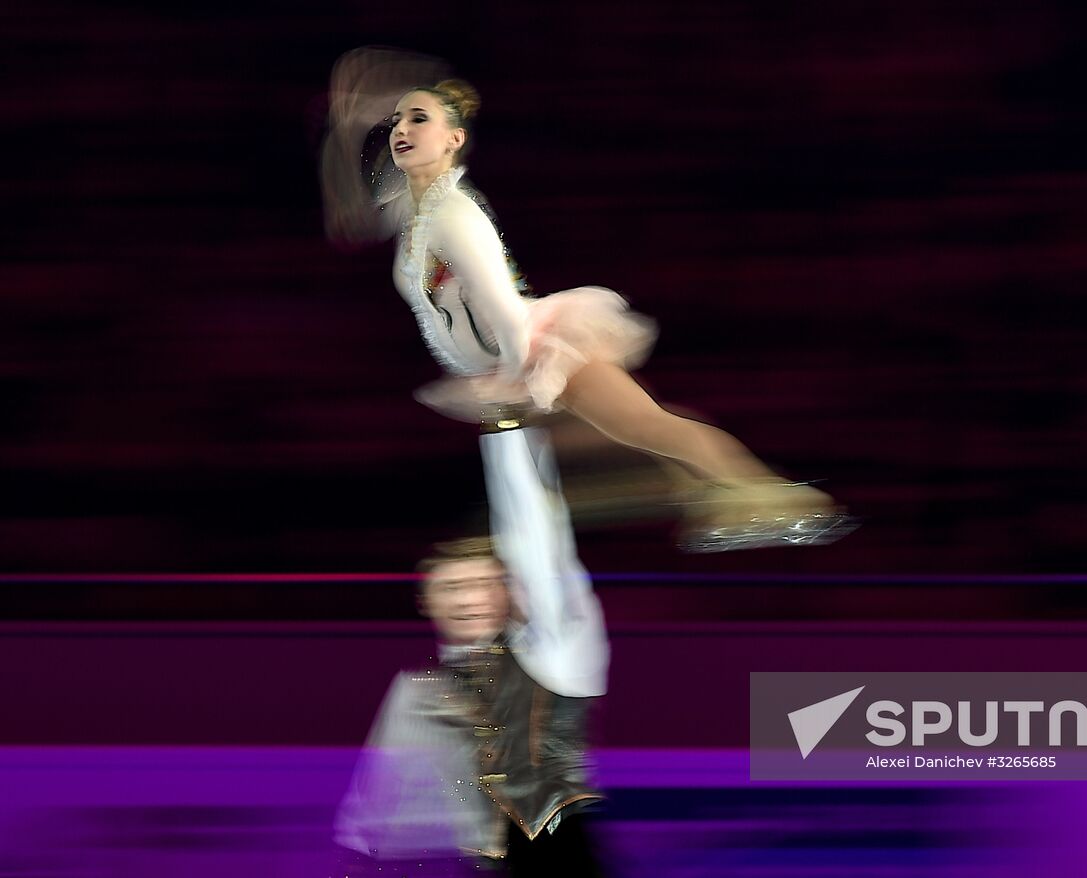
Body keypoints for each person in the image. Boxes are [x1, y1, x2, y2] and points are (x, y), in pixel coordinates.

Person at [320, 47, 855, 552]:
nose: (401, 129)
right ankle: (722, 499)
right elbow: (350, 214)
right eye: (396, 121)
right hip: (508, 366)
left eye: (418, 118)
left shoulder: (455, 215)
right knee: (629, 438)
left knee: (648, 428)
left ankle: (789, 503)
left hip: (536, 350)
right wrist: (348, 129)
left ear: (454, 139)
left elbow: (505, 310)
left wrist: (520, 379)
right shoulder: (412, 212)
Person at [335, 422, 610, 875]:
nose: (467, 599)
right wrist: (358, 850)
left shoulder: (557, 657)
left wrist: (506, 427)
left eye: (482, 584)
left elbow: (538, 536)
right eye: (452, 587)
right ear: (425, 600)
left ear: (509, 591)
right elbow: (375, 801)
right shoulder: (418, 689)